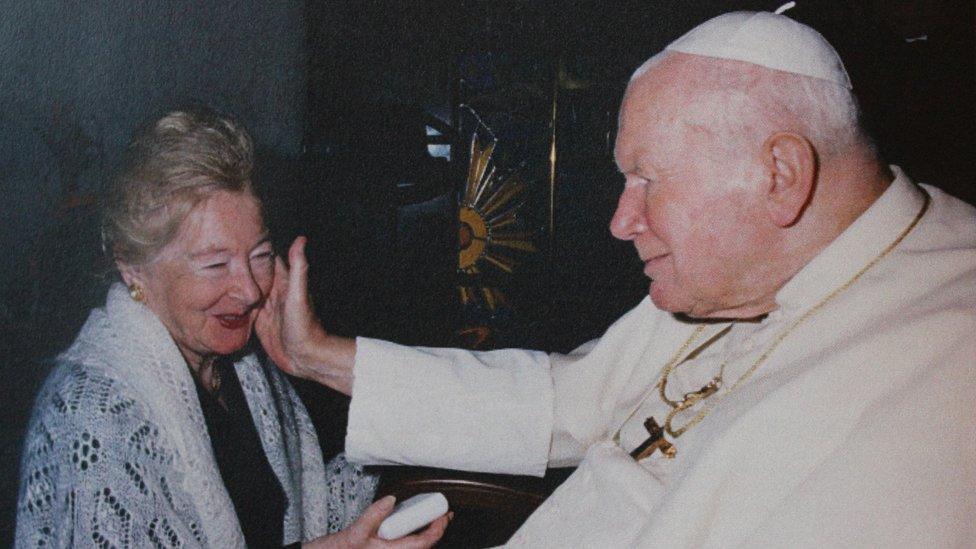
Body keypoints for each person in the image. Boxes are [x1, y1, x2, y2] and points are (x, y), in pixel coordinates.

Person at [259, 11, 976, 548]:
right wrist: (321, 355)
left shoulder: (943, 383)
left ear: (779, 177)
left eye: (647, 180)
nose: (621, 220)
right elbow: (569, 398)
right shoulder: (753, 267)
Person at [15, 111, 448, 548]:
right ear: (133, 270)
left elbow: (293, 514)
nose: (247, 290)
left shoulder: (242, 369)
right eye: (215, 264)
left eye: (260, 254)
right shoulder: (91, 413)